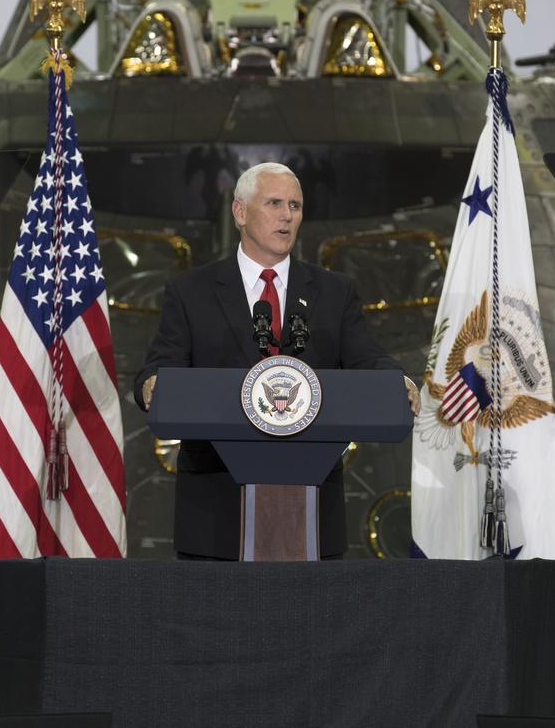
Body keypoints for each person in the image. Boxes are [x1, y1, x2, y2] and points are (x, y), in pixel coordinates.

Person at [134, 162, 419, 560]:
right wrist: (151, 385)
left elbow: (366, 356)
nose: (287, 215)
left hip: (313, 509)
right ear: (239, 212)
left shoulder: (334, 292)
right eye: (274, 203)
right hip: (215, 512)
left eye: (295, 206)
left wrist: (396, 382)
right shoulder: (190, 291)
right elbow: (160, 365)